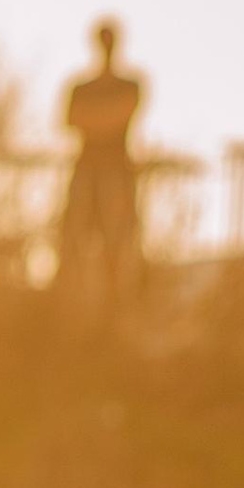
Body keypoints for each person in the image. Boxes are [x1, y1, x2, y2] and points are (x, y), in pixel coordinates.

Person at [55, 17, 146, 312]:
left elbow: (119, 115)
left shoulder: (130, 84)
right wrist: (103, 119)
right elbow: (71, 121)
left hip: (116, 172)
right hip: (86, 171)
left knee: (117, 244)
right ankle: (72, 309)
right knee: (74, 240)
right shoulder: (81, 87)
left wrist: (96, 119)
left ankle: (116, 311)